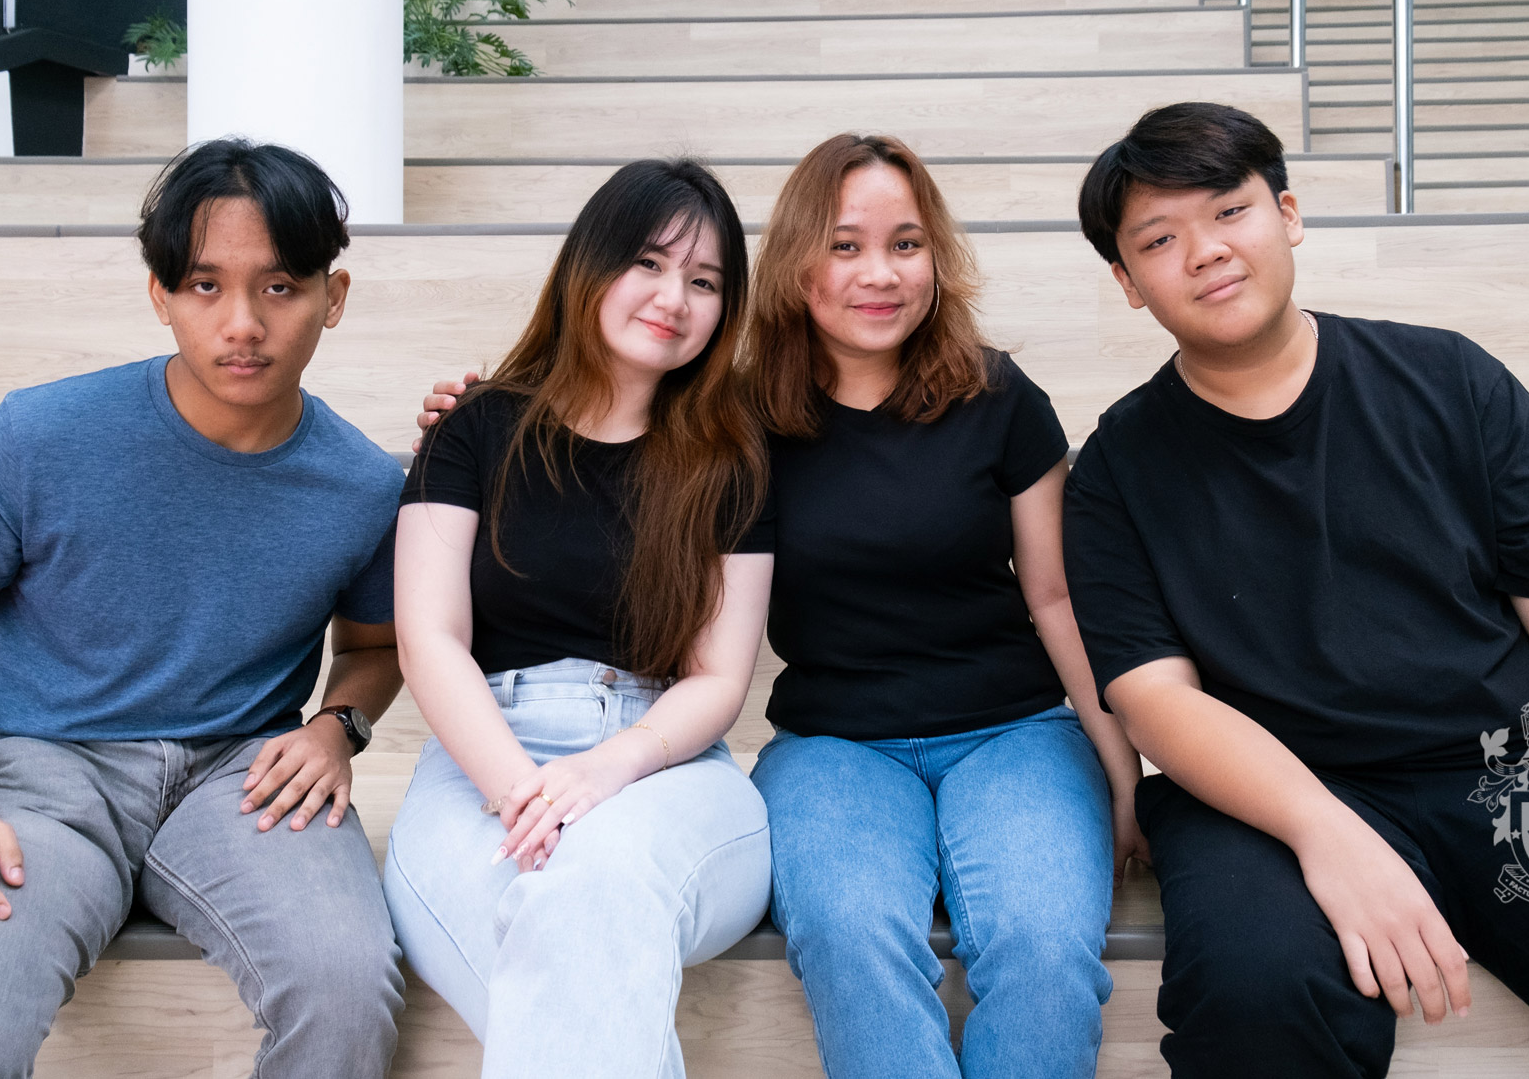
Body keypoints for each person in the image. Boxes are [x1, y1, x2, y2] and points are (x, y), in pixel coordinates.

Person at [416, 133, 1143, 1079]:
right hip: (836, 746)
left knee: (1045, 950)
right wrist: (476, 409)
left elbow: (1052, 597)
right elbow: (601, 436)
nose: (878, 273)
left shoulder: (999, 396)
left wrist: (1121, 764)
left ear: (938, 257)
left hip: (1016, 731)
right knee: (850, 940)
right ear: (797, 264)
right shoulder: (734, 418)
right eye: (844, 245)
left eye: (906, 243)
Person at [1064, 101, 1529, 1078]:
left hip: (1521, 775)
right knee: (1256, 999)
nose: (1203, 251)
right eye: (1160, 240)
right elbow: (1154, 701)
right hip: (1264, 805)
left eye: (1228, 212)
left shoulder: (1449, 380)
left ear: (1286, 213)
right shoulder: (1114, 469)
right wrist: (1325, 833)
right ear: (1125, 283)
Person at [0, 139, 406, 1079]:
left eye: (280, 288)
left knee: (348, 984)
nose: (242, 323)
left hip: (243, 779)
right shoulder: (37, 436)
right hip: (42, 770)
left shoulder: (360, 485)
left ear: (334, 298)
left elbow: (375, 645)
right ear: (161, 295)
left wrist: (336, 727)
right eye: (204, 286)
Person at [382, 158, 775, 1078]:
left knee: (593, 886)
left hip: (665, 761)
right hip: (481, 757)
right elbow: (427, 637)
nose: (674, 297)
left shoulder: (732, 457)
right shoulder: (474, 427)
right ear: (588, 265)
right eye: (648, 261)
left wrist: (604, 772)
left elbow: (720, 676)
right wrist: (523, 791)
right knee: (572, 953)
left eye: (706, 281)